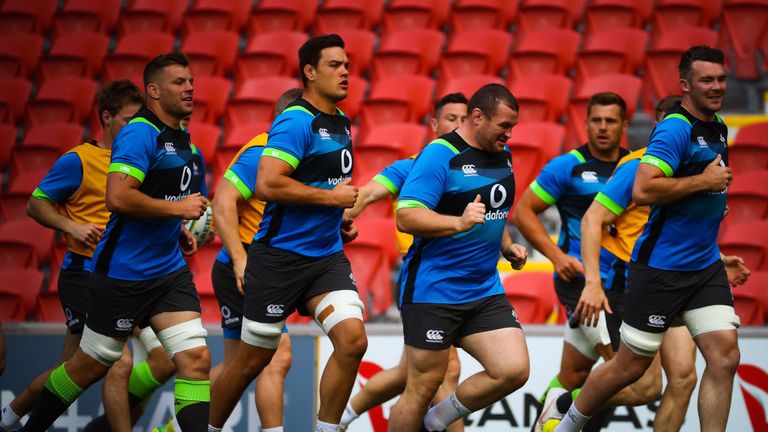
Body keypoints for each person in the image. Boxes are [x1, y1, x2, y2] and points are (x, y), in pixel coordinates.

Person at [549, 45, 746, 432]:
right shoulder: (672, 130)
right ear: (686, 86)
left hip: (703, 268)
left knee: (722, 358)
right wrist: (704, 183)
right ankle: (567, 417)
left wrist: (718, 250)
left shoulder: (717, 126)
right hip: (659, 272)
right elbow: (640, 192)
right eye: (708, 79)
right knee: (633, 370)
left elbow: (693, 210)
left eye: (722, 78)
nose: (717, 86)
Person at [18, 51, 211, 432]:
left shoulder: (185, 141)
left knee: (196, 360)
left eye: (191, 81)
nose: (189, 87)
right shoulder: (140, 132)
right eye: (179, 82)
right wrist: (176, 212)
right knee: (90, 366)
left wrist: (181, 230)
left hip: (169, 272)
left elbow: (174, 202)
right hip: (122, 272)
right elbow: (118, 198)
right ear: (153, 90)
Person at [208, 34, 367, 432]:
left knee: (353, 341)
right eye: (335, 65)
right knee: (248, 363)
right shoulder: (296, 120)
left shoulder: (341, 123)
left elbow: (320, 187)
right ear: (310, 73)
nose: (345, 71)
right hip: (279, 259)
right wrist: (331, 200)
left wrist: (337, 220)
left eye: (347, 64)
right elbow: (267, 185)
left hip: (325, 259)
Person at [0, 80, 144, 432]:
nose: (136, 127)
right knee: (120, 362)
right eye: (129, 120)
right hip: (84, 275)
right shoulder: (79, 160)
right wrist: (72, 226)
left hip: (122, 277)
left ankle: (9, 419)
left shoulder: (139, 159)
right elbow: (36, 204)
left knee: (69, 373)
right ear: (106, 118)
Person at [514, 93, 663, 431]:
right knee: (628, 377)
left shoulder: (639, 168)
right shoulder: (568, 166)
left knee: (575, 375)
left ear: (625, 126)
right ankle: (565, 415)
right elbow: (523, 212)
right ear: (586, 123)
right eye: (596, 120)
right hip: (581, 284)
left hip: (625, 284)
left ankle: (553, 413)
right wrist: (557, 255)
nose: (602, 127)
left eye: (611, 121)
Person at [388, 83, 530, 431]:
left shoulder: (503, 154)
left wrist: (506, 245)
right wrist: (458, 222)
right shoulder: (440, 154)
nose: (509, 135)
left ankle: (436, 422)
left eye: (513, 127)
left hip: (483, 288)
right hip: (433, 290)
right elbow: (406, 215)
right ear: (477, 117)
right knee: (422, 386)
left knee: (513, 370)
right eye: (504, 126)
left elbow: (493, 210)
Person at [340, 92, 468, 432]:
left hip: (463, 282)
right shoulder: (411, 167)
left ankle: (341, 418)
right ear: (434, 124)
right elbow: (366, 193)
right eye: (451, 118)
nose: (457, 125)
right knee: (445, 372)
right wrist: (342, 218)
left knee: (406, 375)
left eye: (463, 119)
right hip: (426, 281)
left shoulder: (476, 170)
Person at [85, 116, 212, 432]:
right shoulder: (119, 151)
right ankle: (18, 418)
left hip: (162, 273)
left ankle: (103, 426)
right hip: (118, 273)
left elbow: (193, 208)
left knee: (172, 361)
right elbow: (118, 203)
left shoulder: (190, 153)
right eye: (128, 118)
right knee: (107, 365)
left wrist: (185, 225)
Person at [208, 87, 303, 432]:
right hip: (244, 266)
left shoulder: (300, 155)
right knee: (277, 356)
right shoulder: (260, 153)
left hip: (267, 265)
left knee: (238, 365)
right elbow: (222, 202)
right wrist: (238, 259)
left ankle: (181, 424)